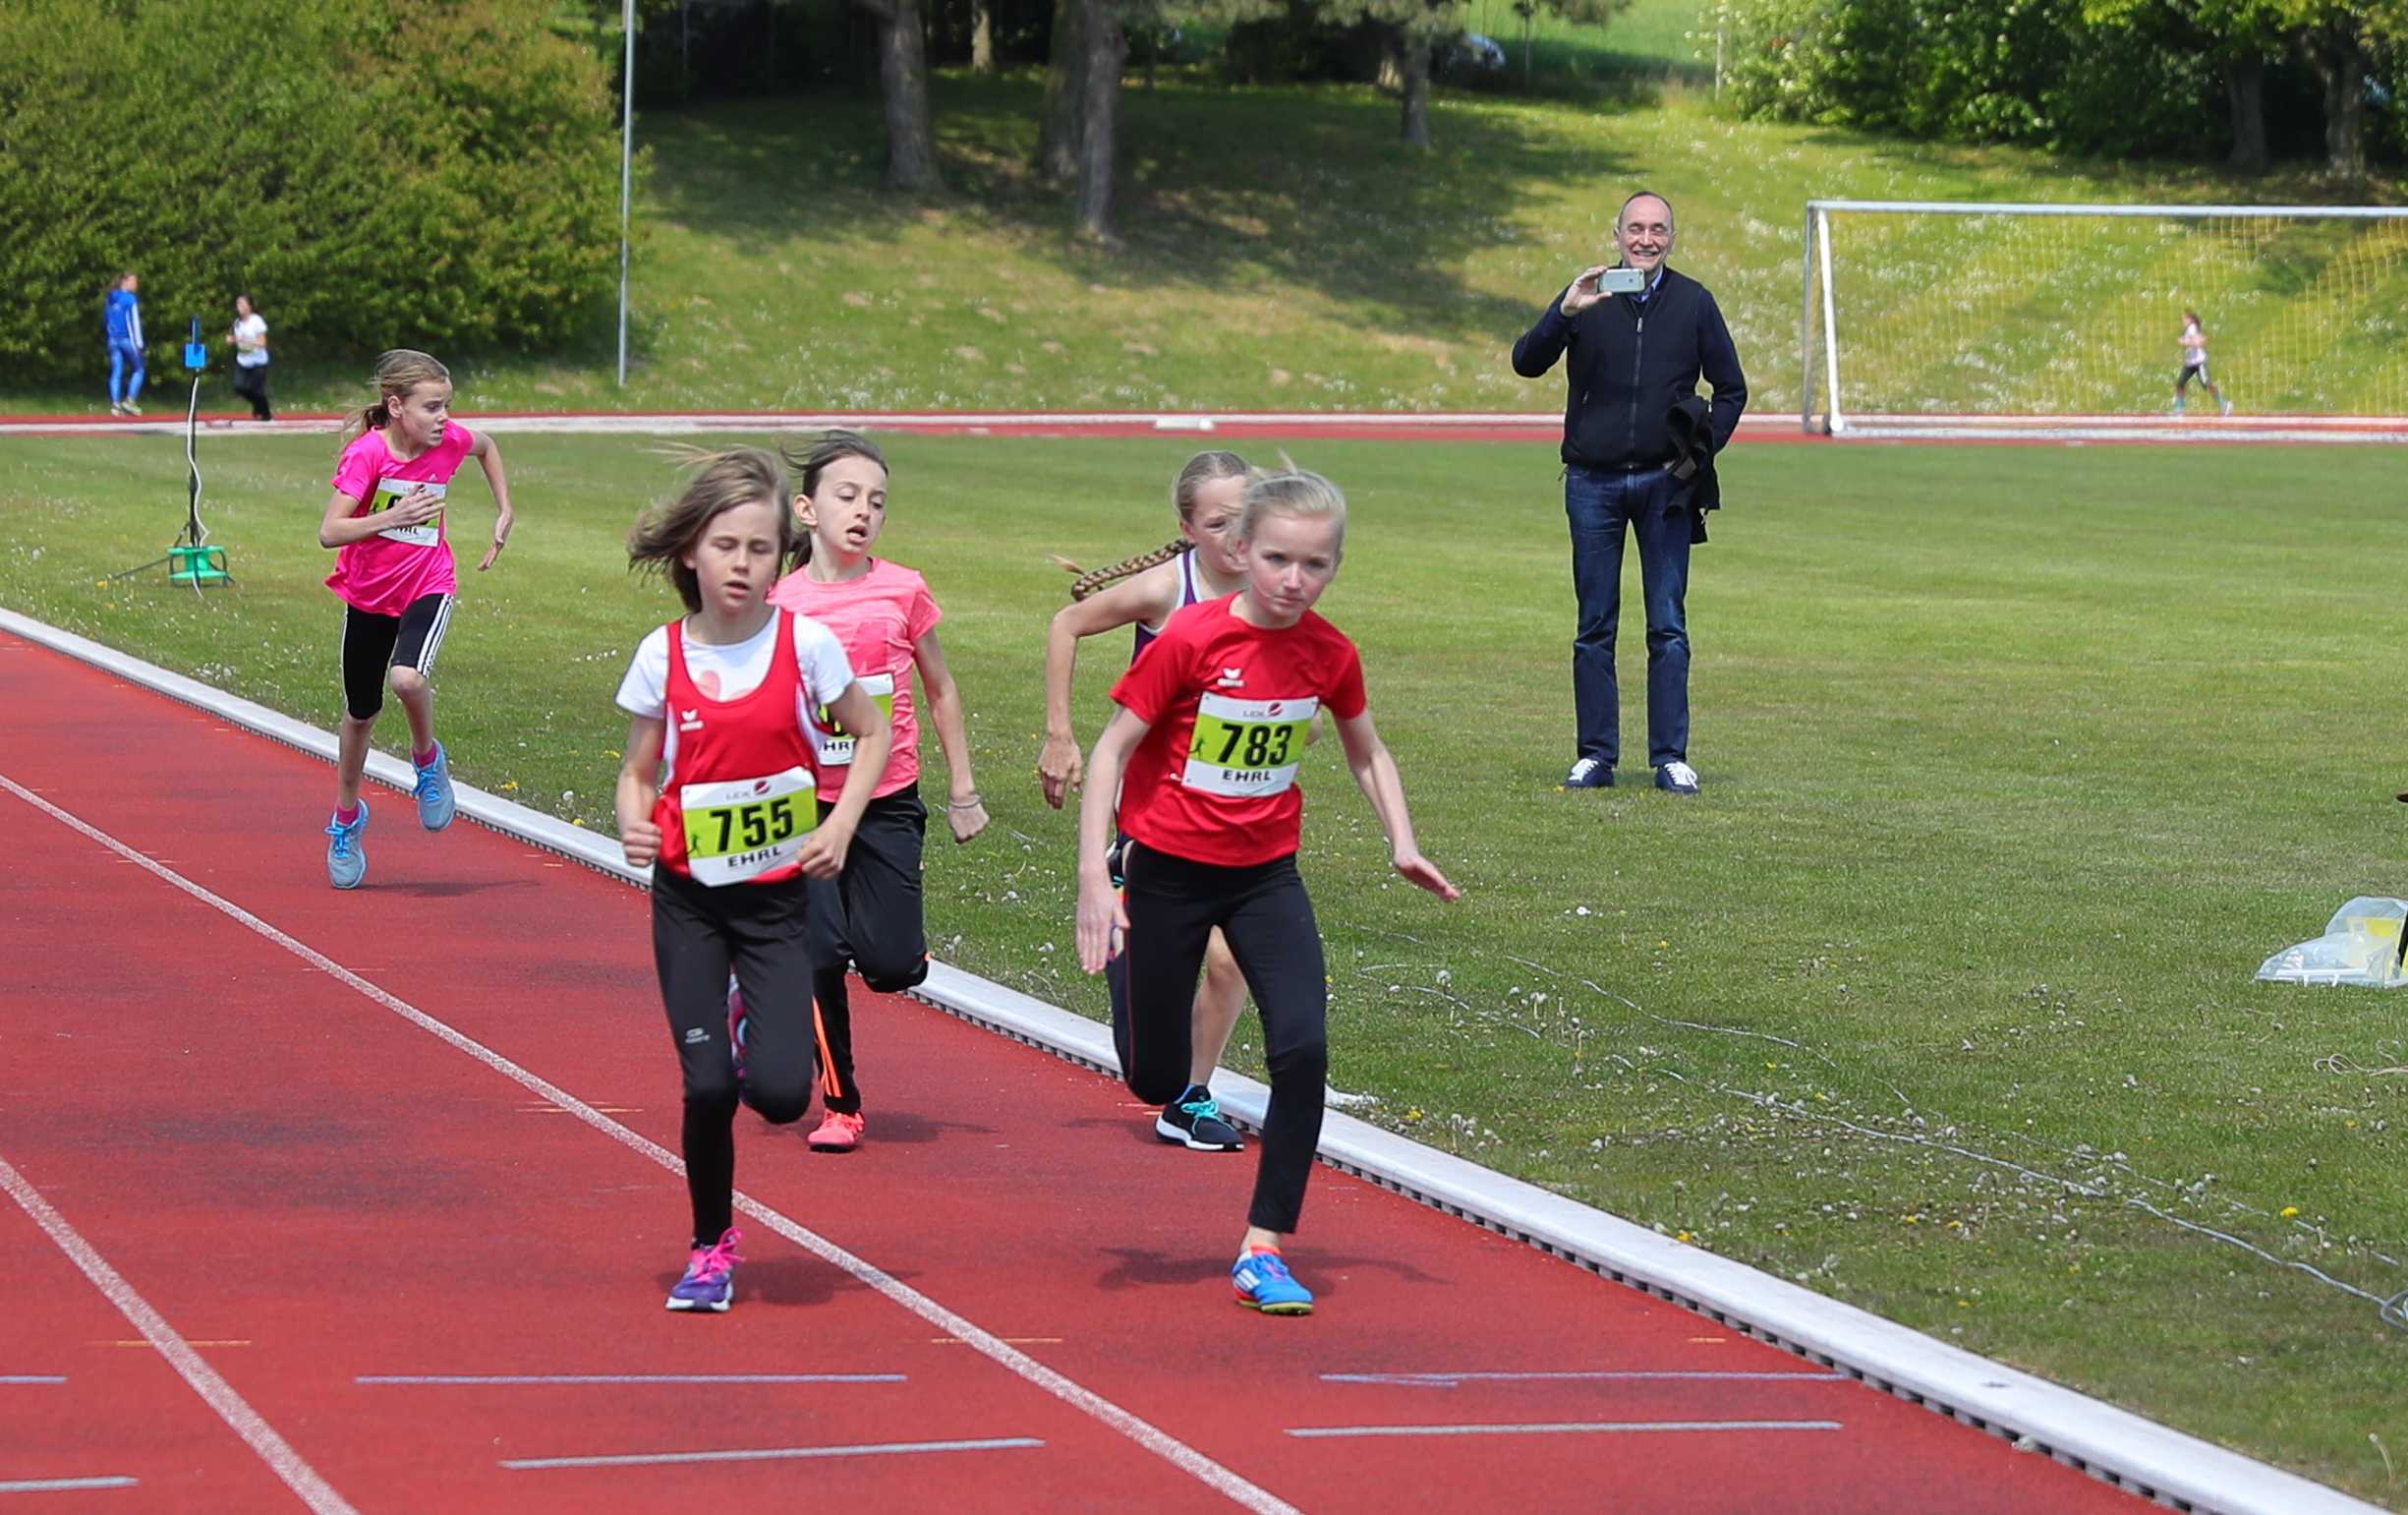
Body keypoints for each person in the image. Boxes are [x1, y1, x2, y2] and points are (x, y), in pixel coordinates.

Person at [1074, 469, 1461, 1316]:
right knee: (1155, 1077)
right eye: (1279, 559)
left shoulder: (1330, 652)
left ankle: (1264, 1245)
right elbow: (1111, 750)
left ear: (1336, 566)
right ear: (1243, 551)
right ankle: (1133, 959)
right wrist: (1095, 881)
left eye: (1315, 564)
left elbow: (1366, 748)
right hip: (1166, 872)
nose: (1294, 579)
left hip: (1264, 877)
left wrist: (1402, 840)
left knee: (1302, 1047)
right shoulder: (1191, 637)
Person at [615, 447, 893, 1312]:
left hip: (777, 903)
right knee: (706, 1087)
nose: (742, 564)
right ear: (690, 551)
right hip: (690, 901)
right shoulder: (662, 655)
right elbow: (637, 770)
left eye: (761, 549)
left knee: (777, 1095)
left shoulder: (805, 645)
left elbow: (873, 731)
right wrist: (631, 816)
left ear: (782, 558)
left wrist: (840, 824)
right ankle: (711, 1246)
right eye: (726, 546)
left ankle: (748, 1017)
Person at [747, 431, 989, 1154]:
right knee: (818, 952)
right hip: (805, 805)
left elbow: (940, 688)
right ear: (807, 510)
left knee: (890, 966)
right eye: (847, 496)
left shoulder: (903, 589)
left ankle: (887, 950)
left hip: (886, 798)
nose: (863, 512)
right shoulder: (778, 601)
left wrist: (964, 788)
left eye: (876, 501)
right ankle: (841, 1103)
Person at [1043, 451, 1259, 1154]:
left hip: (1233, 819)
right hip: (1154, 816)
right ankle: (1120, 895)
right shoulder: (1168, 588)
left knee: (1229, 961)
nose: (1236, 535)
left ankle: (1190, 1098)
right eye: (1219, 522)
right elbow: (1066, 624)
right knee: (1147, 1054)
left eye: (1246, 518)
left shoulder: (1273, 589)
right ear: (1189, 528)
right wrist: (1060, 735)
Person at [1512, 190, 1747, 795]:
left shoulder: (1694, 302)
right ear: (1617, 235)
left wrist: (1699, 452)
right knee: (1595, 624)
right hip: (1592, 482)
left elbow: (1732, 388)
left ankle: (1670, 756)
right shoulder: (1588, 296)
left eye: (1658, 229)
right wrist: (1564, 312)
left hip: (1666, 486)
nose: (1646, 239)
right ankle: (1595, 755)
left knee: (1668, 625)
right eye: (1636, 228)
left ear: (1672, 238)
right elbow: (1526, 362)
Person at [315, 350, 514, 888]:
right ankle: (346, 818)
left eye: (447, 405)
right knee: (360, 713)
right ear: (396, 406)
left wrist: (504, 509)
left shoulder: (447, 442)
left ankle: (427, 760)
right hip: (368, 595)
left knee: (407, 678)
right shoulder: (367, 454)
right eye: (432, 407)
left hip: (428, 584)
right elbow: (330, 531)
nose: (444, 417)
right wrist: (392, 517)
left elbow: (487, 447)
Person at [2173, 310, 2232, 417]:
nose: (2183, 321)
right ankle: (2179, 408)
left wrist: (2185, 342)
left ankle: (2224, 403)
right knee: (2180, 383)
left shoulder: (2192, 328)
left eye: (2184, 319)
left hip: (2199, 363)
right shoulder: (2189, 329)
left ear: (2190, 320)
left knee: (2206, 384)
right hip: (2190, 363)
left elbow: (2199, 342)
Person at [103, 271, 145, 417]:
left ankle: (115, 404)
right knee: (139, 368)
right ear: (125, 281)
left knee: (116, 370)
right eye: (134, 281)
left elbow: (107, 318)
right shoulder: (130, 299)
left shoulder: (111, 297)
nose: (136, 284)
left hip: (113, 339)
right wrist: (139, 343)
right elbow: (134, 322)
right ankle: (130, 400)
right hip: (127, 339)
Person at [228, 295, 272, 421]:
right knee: (239, 387)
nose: (239, 307)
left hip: (258, 362)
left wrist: (245, 340)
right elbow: (235, 339)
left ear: (249, 306)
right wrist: (232, 340)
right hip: (243, 361)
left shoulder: (256, 321)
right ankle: (257, 406)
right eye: (238, 304)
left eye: (242, 304)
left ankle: (265, 414)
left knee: (257, 390)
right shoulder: (237, 323)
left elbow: (262, 343)